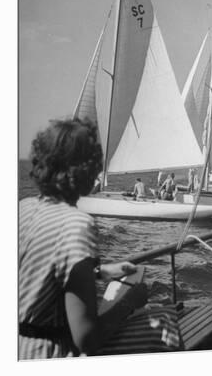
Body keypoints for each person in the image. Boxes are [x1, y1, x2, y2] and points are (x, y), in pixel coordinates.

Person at [19, 118, 147, 359]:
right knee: (164, 324)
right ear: (87, 171)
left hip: (13, 352)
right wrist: (130, 303)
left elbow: (41, 272)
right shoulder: (77, 224)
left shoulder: (22, 209)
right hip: (47, 358)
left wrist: (98, 272)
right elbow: (87, 338)